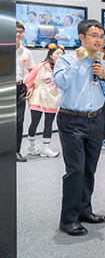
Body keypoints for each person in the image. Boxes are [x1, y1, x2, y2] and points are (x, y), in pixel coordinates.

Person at [53, 19, 105, 236]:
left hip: (96, 120)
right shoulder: (66, 60)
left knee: (89, 168)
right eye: (94, 35)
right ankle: (68, 219)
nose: (99, 40)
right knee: (76, 170)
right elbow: (61, 83)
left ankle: (84, 210)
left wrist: (104, 76)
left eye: (102, 36)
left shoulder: (104, 64)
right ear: (81, 37)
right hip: (71, 121)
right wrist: (79, 62)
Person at [25, 43, 64, 158]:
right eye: (57, 53)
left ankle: (46, 149)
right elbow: (29, 79)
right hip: (38, 97)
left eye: (62, 54)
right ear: (50, 55)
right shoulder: (41, 66)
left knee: (49, 123)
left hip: (52, 98)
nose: (60, 56)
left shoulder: (62, 68)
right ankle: (31, 145)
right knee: (35, 122)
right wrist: (30, 89)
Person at [16, 21, 35, 162]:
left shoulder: (26, 52)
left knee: (19, 121)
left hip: (20, 88)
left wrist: (32, 86)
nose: (18, 34)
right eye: (16, 31)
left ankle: (15, 151)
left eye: (21, 32)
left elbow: (32, 71)